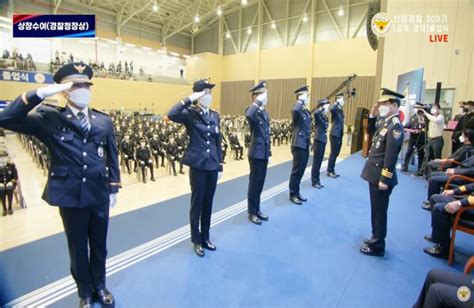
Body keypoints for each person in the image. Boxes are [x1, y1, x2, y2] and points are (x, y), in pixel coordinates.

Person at [0, 62, 120, 307]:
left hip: (98, 193)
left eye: (86, 84)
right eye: (76, 85)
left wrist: (114, 187)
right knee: (77, 248)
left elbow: (112, 154)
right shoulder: (49, 117)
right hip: (71, 195)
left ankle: (100, 285)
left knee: (99, 246)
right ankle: (85, 292)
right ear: (64, 91)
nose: (83, 89)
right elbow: (6, 118)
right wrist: (39, 94)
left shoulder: (103, 120)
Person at [167, 79, 223, 257]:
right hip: (198, 166)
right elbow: (171, 114)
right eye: (205, 92)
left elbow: (217, 141)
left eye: (210, 93)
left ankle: (206, 237)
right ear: (198, 95)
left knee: (208, 204)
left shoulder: (215, 115)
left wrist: (220, 164)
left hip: (212, 166)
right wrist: (190, 98)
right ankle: (196, 240)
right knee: (197, 204)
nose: (209, 96)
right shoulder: (190, 113)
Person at [360, 88, 404, 257]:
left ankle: (377, 244)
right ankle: (374, 237)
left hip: (381, 177)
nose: (381, 106)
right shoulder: (386, 122)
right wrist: (372, 114)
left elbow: (391, 155)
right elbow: (371, 130)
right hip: (375, 174)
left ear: (394, 105)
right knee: (376, 209)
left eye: (385, 103)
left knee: (379, 211)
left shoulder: (395, 127)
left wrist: (385, 179)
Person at [423, 183, 474, 259]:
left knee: (439, 209)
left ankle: (445, 250)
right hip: (470, 200)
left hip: (470, 206)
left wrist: (460, 203)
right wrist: (454, 191)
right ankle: (437, 237)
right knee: (434, 198)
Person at [245, 81, 271, 225]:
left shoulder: (264, 112)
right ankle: (251, 212)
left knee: (260, 183)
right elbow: (249, 115)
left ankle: (257, 209)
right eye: (262, 94)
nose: (264, 96)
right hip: (256, 153)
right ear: (254, 96)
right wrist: (257, 102)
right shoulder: (251, 110)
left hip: (264, 153)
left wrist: (270, 152)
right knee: (254, 184)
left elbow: (267, 133)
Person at [289, 86, 311, 205]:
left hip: (305, 143)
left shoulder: (304, 110)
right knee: (296, 170)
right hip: (298, 144)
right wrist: (299, 100)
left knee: (301, 170)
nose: (308, 98)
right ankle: (293, 193)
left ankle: (297, 191)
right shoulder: (297, 108)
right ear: (300, 96)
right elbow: (295, 111)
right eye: (306, 95)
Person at [311, 98, 330, 190]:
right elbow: (316, 113)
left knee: (319, 161)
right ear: (322, 106)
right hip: (318, 140)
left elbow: (326, 125)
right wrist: (321, 108)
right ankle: (314, 180)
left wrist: (323, 110)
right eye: (326, 105)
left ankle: (317, 179)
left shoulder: (324, 116)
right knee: (316, 161)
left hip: (323, 140)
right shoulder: (318, 114)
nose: (328, 108)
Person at [327, 93, 345, 178]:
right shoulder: (335, 108)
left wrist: (339, 105)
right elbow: (332, 108)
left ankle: (332, 169)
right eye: (342, 100)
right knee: (333, 153)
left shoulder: (340, 109)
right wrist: (336, 102)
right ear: (338, 100)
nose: (343, 101)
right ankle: (330, 170)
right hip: (335, 133)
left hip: (339, 133)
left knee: (336, 153)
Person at [402, 109, 426, 174]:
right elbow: (406, 127)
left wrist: (421, 129)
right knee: (409, 151)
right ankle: (405, 166)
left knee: (420, 154)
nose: (419, 114)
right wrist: (411, 130)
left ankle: (419, 169)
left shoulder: (425, 119)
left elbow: (426, 128)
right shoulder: (413, 118)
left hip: (420, 139)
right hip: (412, 138)